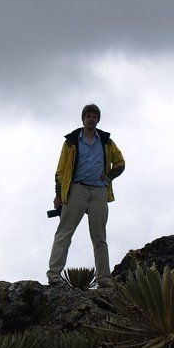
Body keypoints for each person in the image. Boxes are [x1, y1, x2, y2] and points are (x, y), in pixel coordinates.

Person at [47, 103, 125, 287]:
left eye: (94, 116)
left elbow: (120, 162)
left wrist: (109, 176)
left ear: (98, 119)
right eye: (88, 116)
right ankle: (54, 275)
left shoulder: (106, 141)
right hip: (76, 190)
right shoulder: (71, 141)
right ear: (83, 119)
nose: (92, 118)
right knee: (64, 233)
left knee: (99, 237)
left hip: (99, 191)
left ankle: (104, 279)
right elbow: (60, 171)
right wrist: (59, 194)